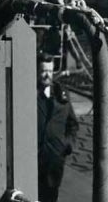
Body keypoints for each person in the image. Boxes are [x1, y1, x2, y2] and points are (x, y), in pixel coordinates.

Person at [36, 56, 78, 202]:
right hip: (34, 159)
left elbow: (72, 123)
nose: (47, 75)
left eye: (50, 70)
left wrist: (67, 144)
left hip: (54, 159)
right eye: (43, 71)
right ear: (36, 71)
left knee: (51, 196)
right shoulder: (29, 94)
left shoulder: (61, 93)